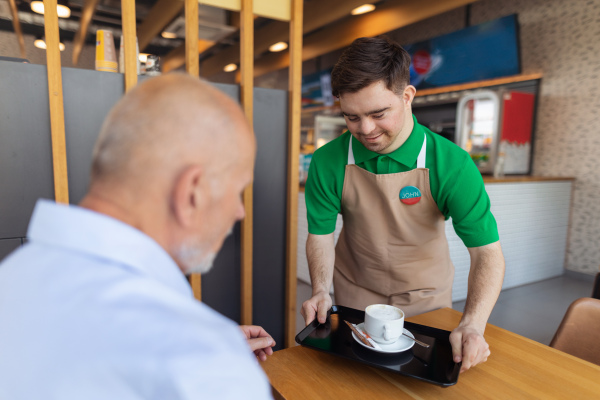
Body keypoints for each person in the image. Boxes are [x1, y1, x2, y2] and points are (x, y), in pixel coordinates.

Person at [0, 74, 275, 399]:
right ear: (192, 192)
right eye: (238, 190)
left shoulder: (12, 277)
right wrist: (213, 358)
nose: (239, 212)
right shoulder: (206, 366)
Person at [301, 36, 505, 373]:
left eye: (378, 113)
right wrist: (321, 290)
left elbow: (487, 253)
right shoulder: (327, 161)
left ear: (407, 96)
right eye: (351, 117)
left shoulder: (452, 164)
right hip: (354, 295)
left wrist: (473, 323)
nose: (365, 129)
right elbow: (320, 235)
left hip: (427, 299)